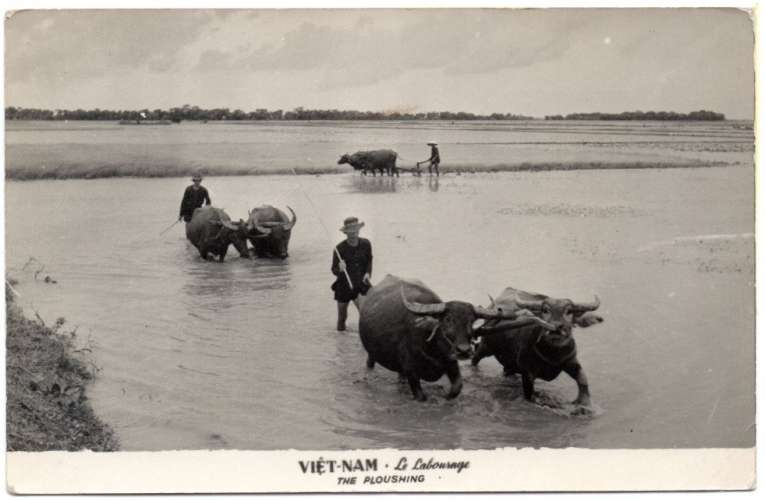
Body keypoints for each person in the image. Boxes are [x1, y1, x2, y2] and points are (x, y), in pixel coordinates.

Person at [331, 216, 373, 331]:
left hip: (361, 284)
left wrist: (368, 273)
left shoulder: (366, 244)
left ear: (359, 230)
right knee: (342, 318)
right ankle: (341, 345)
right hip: (343, 286)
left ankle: (364, 343)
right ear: (346, 233)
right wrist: (339, 269)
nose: (354, 233)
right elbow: (333, 270)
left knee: (366, 316)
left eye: (356, 230)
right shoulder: (339, 249)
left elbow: (369, 260)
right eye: (350, 231)